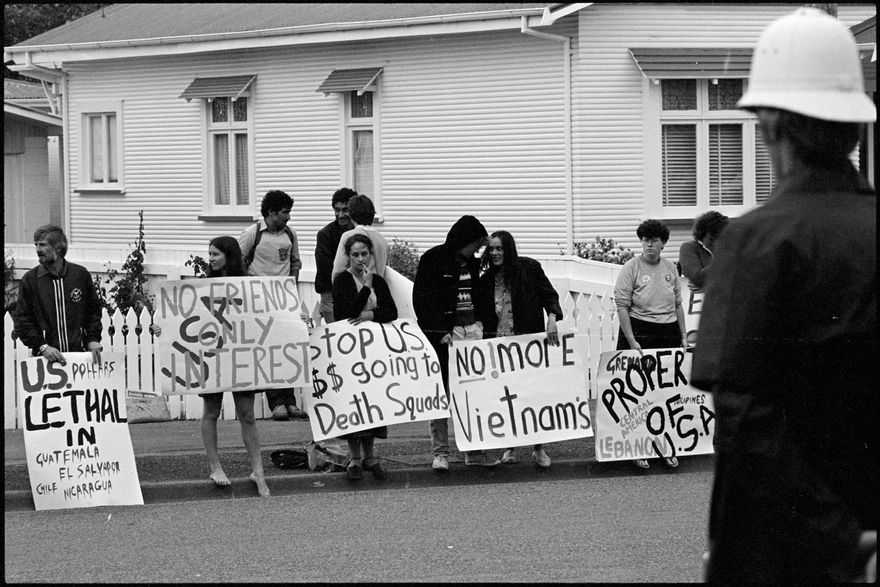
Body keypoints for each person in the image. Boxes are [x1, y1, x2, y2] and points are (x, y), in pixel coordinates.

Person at [691, 8, 876, 583]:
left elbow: (745, 422)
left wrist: (845, 539)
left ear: (770, 122)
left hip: (777, 554)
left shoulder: (755, 244)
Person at [152, 237, 271, 497]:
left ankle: (258, 470)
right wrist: (162, 328)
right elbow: (181, 319)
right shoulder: (202, 286)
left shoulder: (249, 285)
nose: (211, 258)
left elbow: (268, 315)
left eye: (216, 253)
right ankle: (215, 467)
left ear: (229, 255)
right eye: (210, 254)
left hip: (239, 357)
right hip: (210, 357)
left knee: (247, 414)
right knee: (211, 411)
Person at [413, 215, 499, 472]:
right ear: (465, 240)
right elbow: (422, 300)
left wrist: (485, 325)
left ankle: (473, 450)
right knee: (441, 393)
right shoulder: (433, 259)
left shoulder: (473, 265)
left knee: (473, 392)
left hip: (473, 330)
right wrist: (439, 331)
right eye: (477, 244)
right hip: (446, 335)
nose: (479, 250)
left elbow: (481, 297)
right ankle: (440, 453)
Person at [478, 230, 563, 469]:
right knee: (506, 397)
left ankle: (538, 448)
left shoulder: (529, 269)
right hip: (500, 348)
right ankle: (510, 447)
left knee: (532, 395)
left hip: (528, 346)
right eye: (491, 249)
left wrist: (552, 318)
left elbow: (550, 296)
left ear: (509, 249)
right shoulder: (486, 281)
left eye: (499, 249)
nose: (495, 253)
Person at [613, 218, 686, 470]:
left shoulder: (670, 268)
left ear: (663, 243)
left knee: (665, 392)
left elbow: (677, 304)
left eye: (654, 240)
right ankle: (638, 445)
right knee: (638, 394)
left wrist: (683, 335)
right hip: (639, 330)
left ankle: (665, 444)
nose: (649, 245)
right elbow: (622, 306)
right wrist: (632, 340)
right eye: (645, 240)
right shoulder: (631, 268)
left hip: (668, 332)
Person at [332, 233, 398, 481]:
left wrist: (370, 315)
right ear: (348, 256)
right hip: (350, 350)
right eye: (356, 254)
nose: (361, 259)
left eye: (365, 254)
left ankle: (370, 455)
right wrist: (366, 288)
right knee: (354, 401)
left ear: (371, 255)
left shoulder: (379, 281)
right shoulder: (342, 281)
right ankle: (355, 457)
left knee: (373, 401)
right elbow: (346, 312)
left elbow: (391, 311)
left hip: (375, 350)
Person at [238, 189, 306, 421]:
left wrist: (292, 288)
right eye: (285, 213)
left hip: (283, 301)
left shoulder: (289, 233)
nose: (288, 217)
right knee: (268, 351)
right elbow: (238, 263)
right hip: (258, 302)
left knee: (286, 349)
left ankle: (290, 401)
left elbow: (295, 262)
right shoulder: (253, 233)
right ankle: (276, 402)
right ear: (271, 212)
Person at [14, 225, 103, 365]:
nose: (38, 250)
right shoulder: (31, 280)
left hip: (79, 359)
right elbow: (22, 320)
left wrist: (92, 339)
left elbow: (93, 312)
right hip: (45, 360)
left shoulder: (80, 275)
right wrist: (42, 347)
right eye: (36, 245)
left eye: (43, 245)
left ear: (58, 247)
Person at [314, 187, 356, 325]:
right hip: (331, 295)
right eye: (337, 210)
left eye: (345, 210)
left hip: (357, 293)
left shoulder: (359, 232)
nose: (340, 214)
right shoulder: (325, 235)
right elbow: (325, 269)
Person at [330, 194, 389, 283]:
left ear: (351, 215)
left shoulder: (349, 236)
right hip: (378, 292)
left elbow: (338, 270)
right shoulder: (382, 241)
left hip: (357, 292)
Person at [677, 211, 729, 291]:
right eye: (711, 238)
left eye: (719, 237)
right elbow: (697, 278)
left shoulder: (727, 249)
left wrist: (709, 287)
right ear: (702, 233)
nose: (715, 242)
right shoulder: (689, 247)